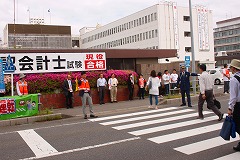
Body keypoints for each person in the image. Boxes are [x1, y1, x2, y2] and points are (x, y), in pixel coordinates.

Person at [227, 59, 240, 151]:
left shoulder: (234, 79)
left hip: (239, 105)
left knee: (238, 125)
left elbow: (233, 96)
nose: (230, 69)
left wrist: (230, 108)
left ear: (234, 68)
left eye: (231, 67)